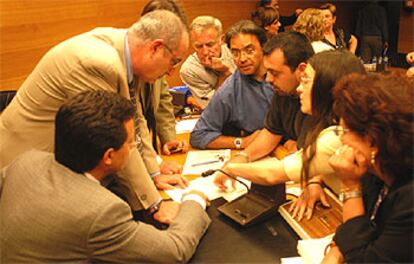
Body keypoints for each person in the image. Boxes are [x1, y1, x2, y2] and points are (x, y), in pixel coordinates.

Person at [0, 10, 188, 222]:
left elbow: (135, 121)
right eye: (175, 61)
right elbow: (115, 138)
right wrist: (154, 205)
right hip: (20, 172)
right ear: (156, 48)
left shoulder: (123, 51)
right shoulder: (98, 64)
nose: (172, 72)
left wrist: (154, 174)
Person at [0, 91, 211, 262]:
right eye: (130, 143)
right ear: (108, 156)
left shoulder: (26, 161)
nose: (132, 149)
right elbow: (174, 250)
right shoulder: (102, 212)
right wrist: (194, 200)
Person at [218, 51, 366, 221]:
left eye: (306, 81)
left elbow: (272, 174)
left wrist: (230, 168)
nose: (299, 88)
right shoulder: (332, 122)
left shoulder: (339, 136)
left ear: (326, 88)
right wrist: (315, 180)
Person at [322, 73, 413, 263]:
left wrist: (350, 185)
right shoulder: (377, 170)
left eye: (345, 132)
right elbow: (359, 232)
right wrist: (336, 250)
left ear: (372, 139)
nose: (341, 139)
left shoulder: (409, 198)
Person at [214, 31, 314, 188]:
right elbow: (271, 132)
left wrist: (237, 169)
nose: (268, 79)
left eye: (275, 73)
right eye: (268, 72)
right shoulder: (283, 91)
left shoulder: (321, 100)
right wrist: (242, 157)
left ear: (301, 70)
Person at [190, 20, 273, 150]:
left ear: (264, 47)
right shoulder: (230, 89)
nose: (242, 59)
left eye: (249, 50)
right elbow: (199, 135)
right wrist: (242, 142)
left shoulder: (283, 75)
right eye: (235, 53)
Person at [139, 0, 189, 156]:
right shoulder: (119, 67)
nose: (170, 72)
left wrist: (168, 139)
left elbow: (162, 102)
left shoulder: (158, 61)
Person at [180, 16, 237, 109]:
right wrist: (224, 73)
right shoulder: (189, 70)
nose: (205, 52)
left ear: (221, 40)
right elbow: (213, 107)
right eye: (199, 46)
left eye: (210, 45)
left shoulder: (235, 51)